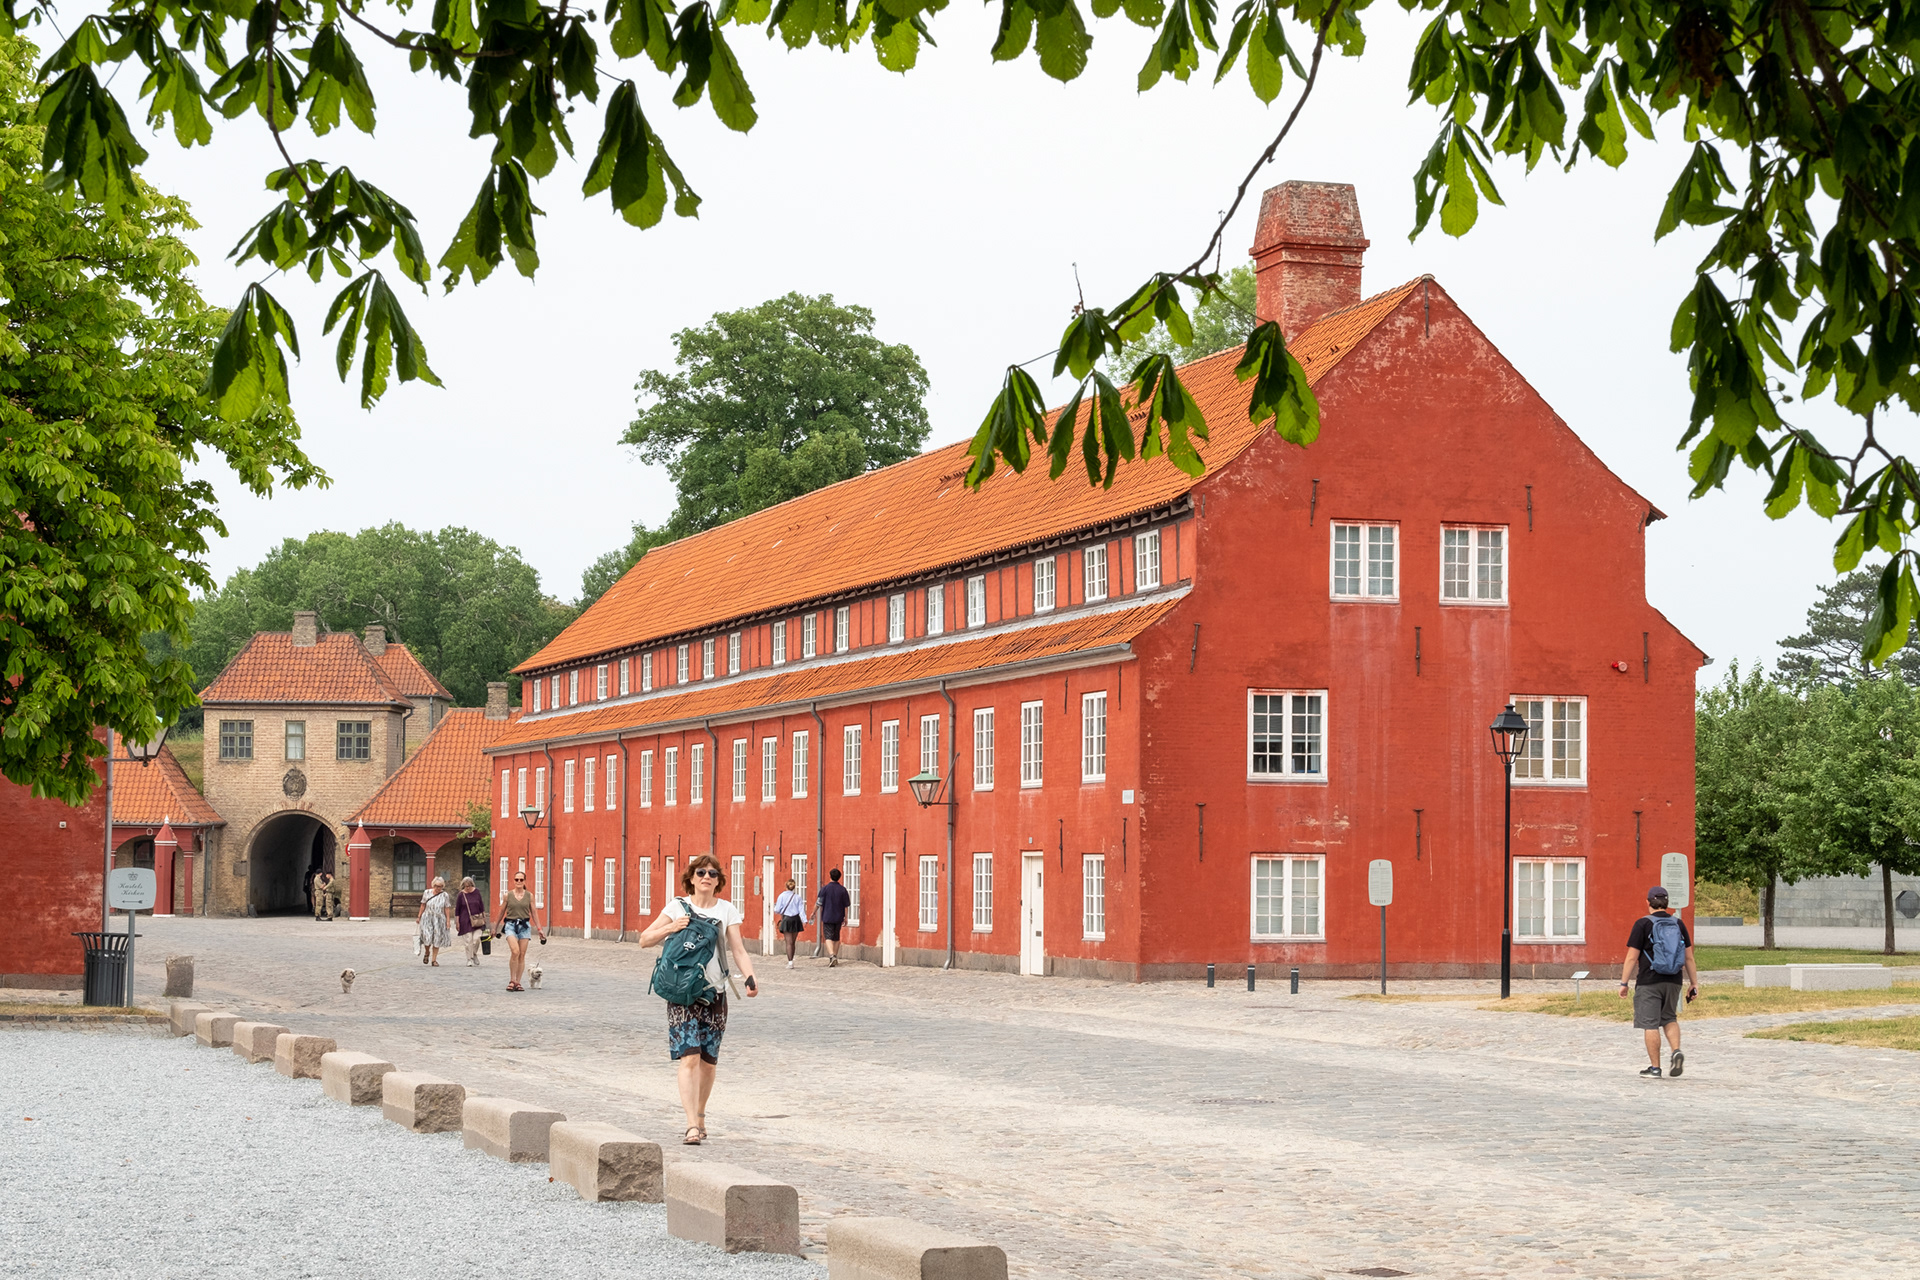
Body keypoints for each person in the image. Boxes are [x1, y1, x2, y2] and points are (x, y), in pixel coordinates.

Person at [637, 853, 758, 1146]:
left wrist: (750, 977)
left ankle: (701, 1114)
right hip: (681, 993)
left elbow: (738, 949)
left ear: (719, 882)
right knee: (689, 1056)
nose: (706, 877)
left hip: (714, 992)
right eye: (701, 872)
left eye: (712, 874)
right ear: (691, 878)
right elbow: (644, 938)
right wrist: (671, 927)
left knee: (708, 1061)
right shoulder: (676, 906)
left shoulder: (727, 910)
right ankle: (691, 1124)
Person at [1618, 886, 1700, 1078]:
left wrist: (1624, 984)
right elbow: (1689, 958)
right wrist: (1694, 983)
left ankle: (1655, 1068)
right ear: (1667, 903)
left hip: (1649, 980)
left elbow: (1631, 958)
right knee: (1669, 1018)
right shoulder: (1678, 924)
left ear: (1648, 902)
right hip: (1674, 980)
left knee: (1650, 1024)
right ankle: (1676, 1051)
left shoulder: (1642, 924)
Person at [491, 870, 545, 991]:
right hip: (510, 925)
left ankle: (518, 982)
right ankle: (512, 979)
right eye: (517, 880)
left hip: (525, 926)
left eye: (521, 879)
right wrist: (495, 928)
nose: (519, 882)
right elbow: (501, 912)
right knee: (515, 951)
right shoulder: (508, 896)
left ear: (524, 881)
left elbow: (534, 913)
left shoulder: (529, 896)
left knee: (522, 954)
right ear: (514, 881)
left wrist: (540, 929)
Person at [816, 868, 852, 967]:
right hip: (838, 916)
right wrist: (846, 917)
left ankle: (832, 956)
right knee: (836, 937)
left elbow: (819, 903)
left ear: (830, 876)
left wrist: (813, 912)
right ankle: (835, 956)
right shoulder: (842, 889)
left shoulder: (825, 889)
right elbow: (846, 905)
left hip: (827, 916)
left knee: (828, 937)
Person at [416, 876, 453, 967]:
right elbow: (423, 905)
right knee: (427, 937)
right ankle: (427, 952)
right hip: (427, 917)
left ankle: (434, 960)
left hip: (439, 918)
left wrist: (448, 921)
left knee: (437, 938)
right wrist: (419, 916)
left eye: (440, 886)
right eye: (436, 886)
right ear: (433, 885)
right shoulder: (427, 893)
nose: (438, 888)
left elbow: (447, 908)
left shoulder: (445, 895)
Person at [772, 878, 807, 969]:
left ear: (786, 886)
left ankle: (790, 962)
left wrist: (775, 907)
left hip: (787, 919)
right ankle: (792, 959)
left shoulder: (782, 896)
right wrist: (804, 920)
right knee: (793, 942)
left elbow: (777, 910)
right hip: (796, 919)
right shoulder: (797, 897)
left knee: (788, 942)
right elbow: (801, 910)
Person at [454, 876, 488, 967]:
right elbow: (457, 910)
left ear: (472, 885)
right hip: (465, 920)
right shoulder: (461, 894)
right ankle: (469, 959)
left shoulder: (476, 892)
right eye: (465, 886)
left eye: (469, 886)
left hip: (477, 919)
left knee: (476, 939)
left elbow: (481, 905)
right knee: (468, 940)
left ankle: (474, 954)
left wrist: (484, 918)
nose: (467, 888)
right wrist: (457, 922)